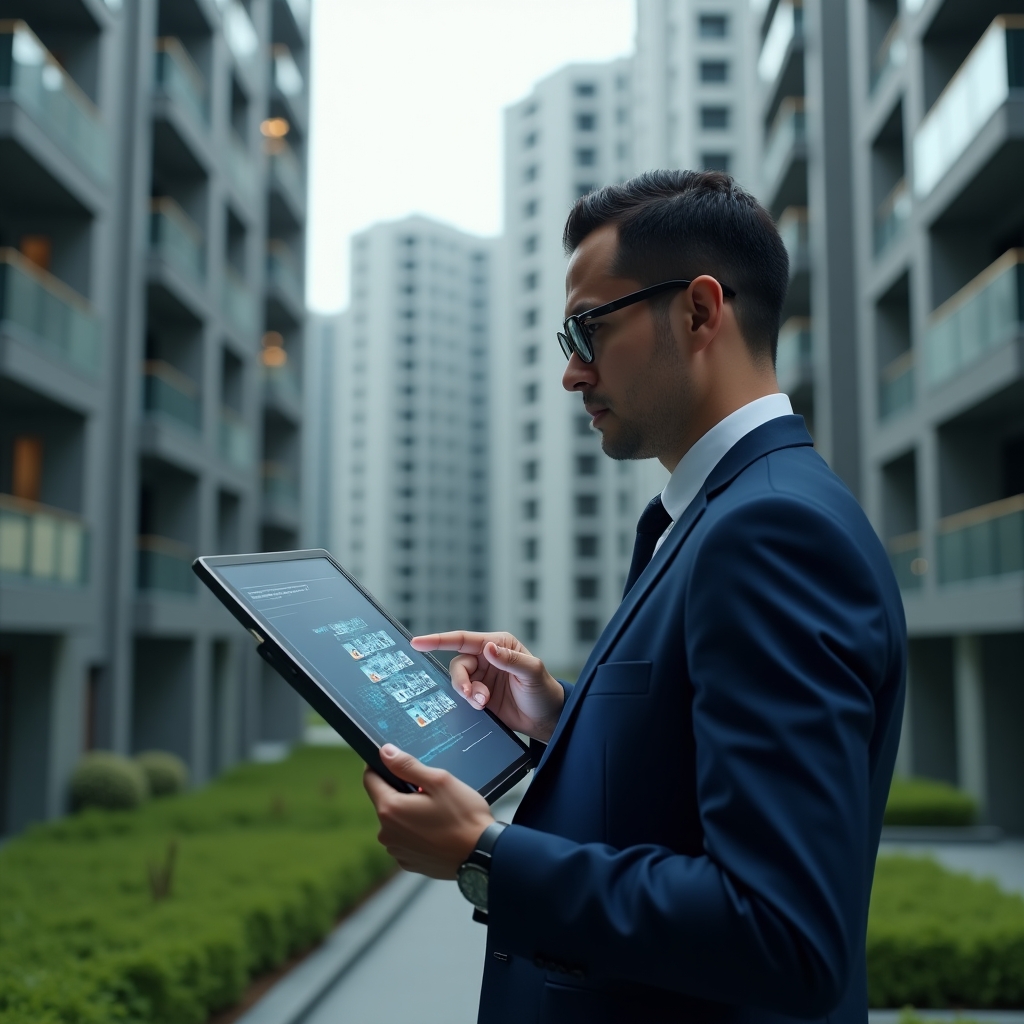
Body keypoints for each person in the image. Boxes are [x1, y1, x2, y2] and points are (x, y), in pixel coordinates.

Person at [362, 170, 906, 1024]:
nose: (574, 374)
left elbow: (785, 933)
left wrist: (485, 854)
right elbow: (695, 787)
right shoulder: (723, 512)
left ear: (698, 311)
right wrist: (563, 719)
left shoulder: (768, 533)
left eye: (590, 329)